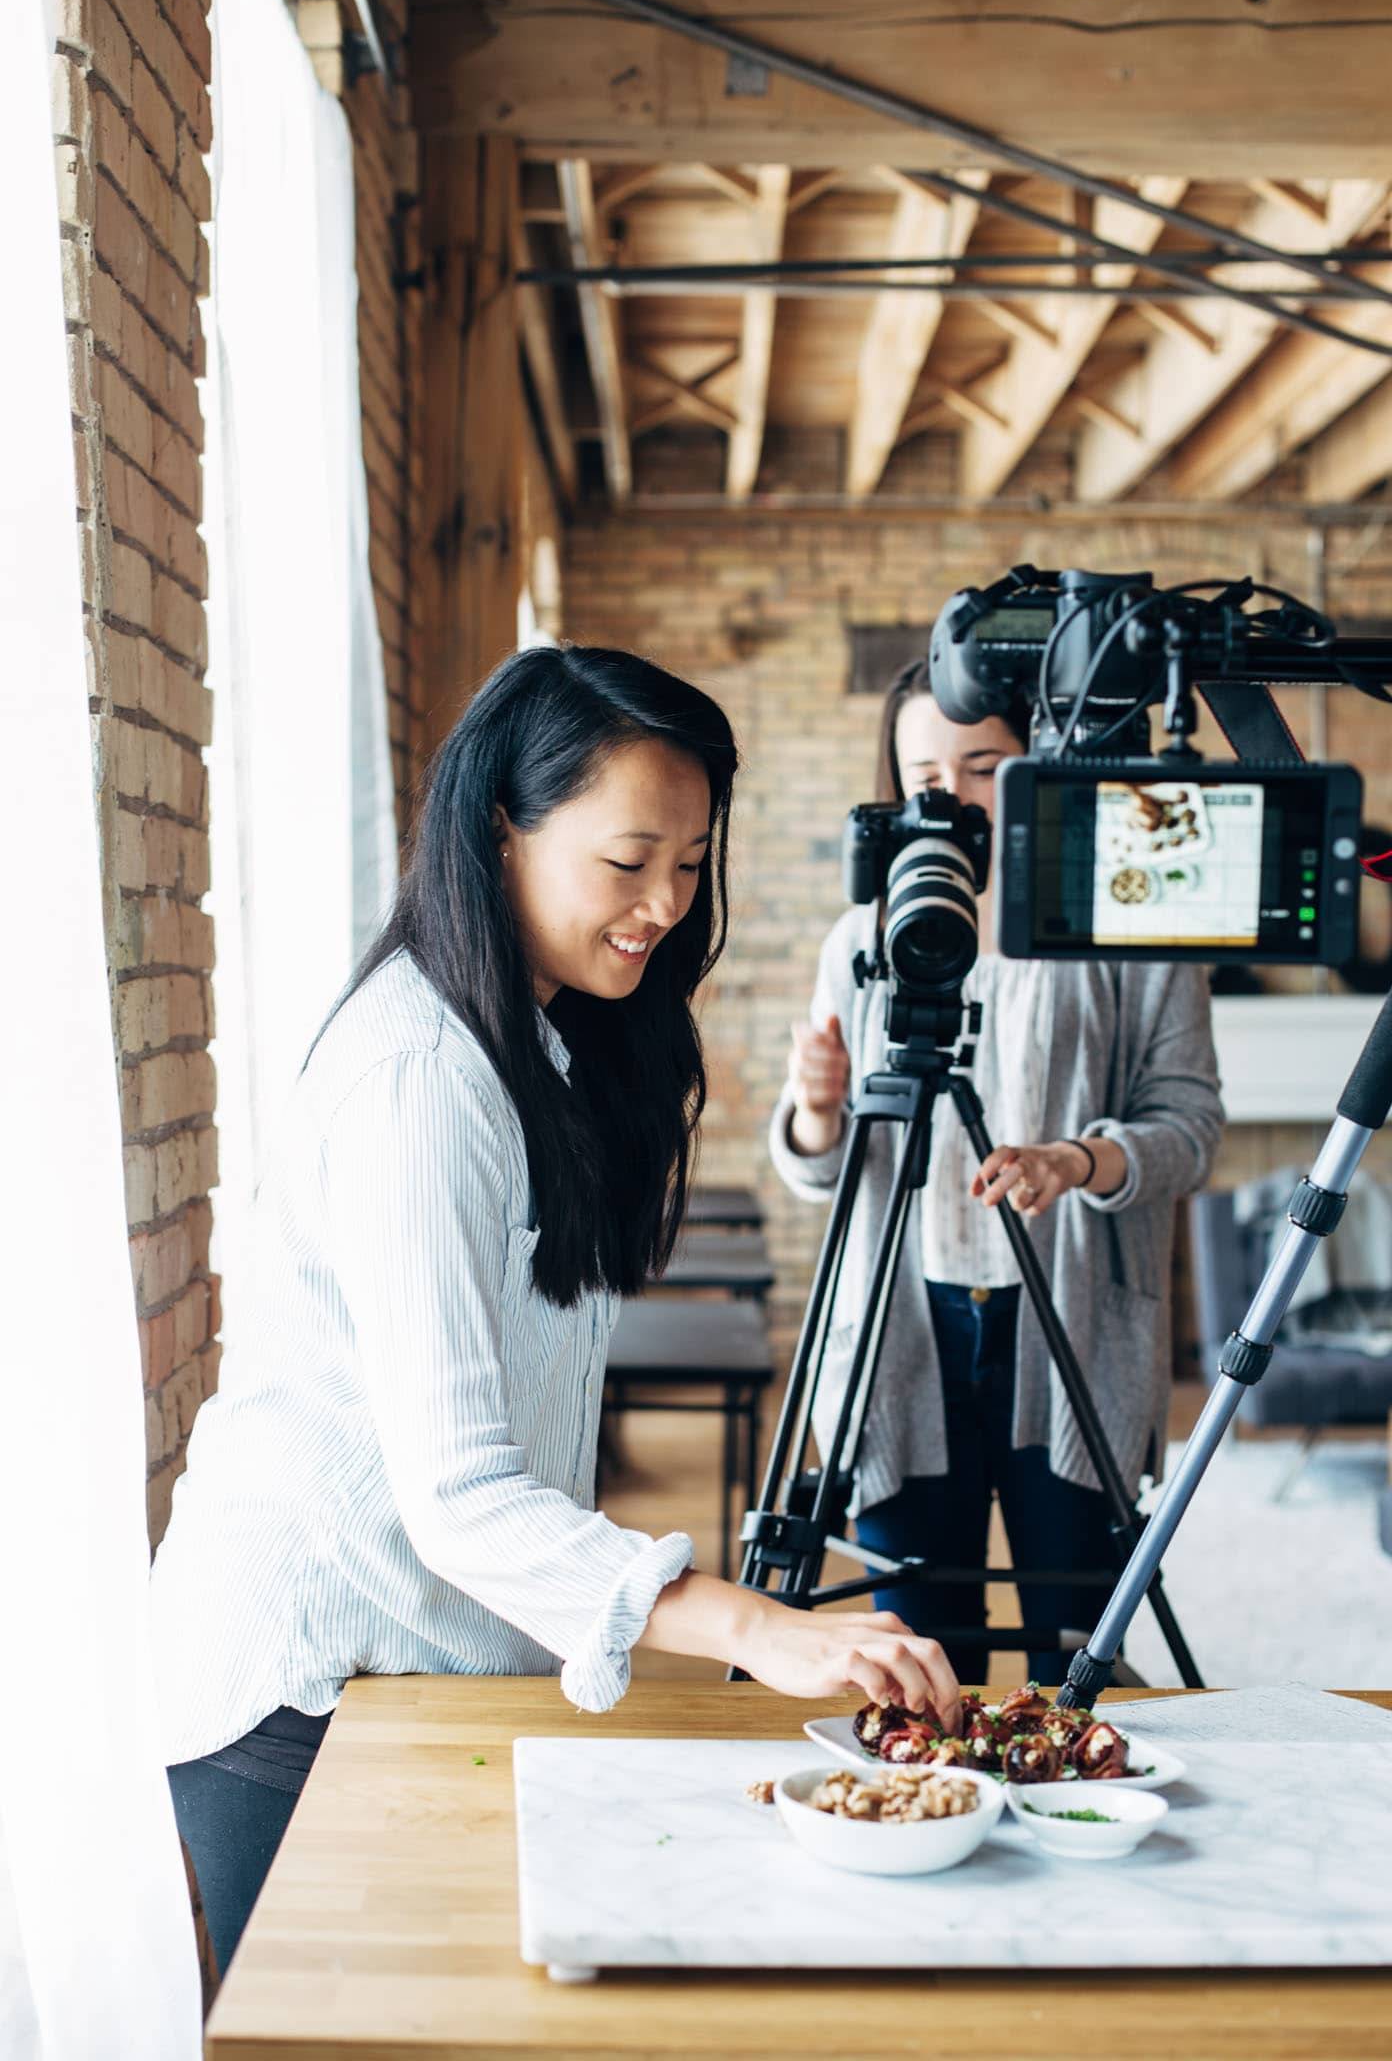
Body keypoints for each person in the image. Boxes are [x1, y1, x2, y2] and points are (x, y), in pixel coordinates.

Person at [151, 646, 959, 1977]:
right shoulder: (417, 1074)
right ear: (501, 829)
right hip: (305, 1671)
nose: (661, 904)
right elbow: (462, 1494)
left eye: (691, 865)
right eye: (628, 859)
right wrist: (756, 1624)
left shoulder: (539, 1037)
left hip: (424, 1649)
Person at [769, 655, 1224, 1689]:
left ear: (1041, 770)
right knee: (919, 1662)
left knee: (1080, 1647)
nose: (951, 798)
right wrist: (815, 1107)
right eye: (924, 773)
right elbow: (821, 1170)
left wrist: (1077, 1160)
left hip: (1073, 1322)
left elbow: (1192, 1125)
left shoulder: (1131, 924)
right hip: (903, 1327)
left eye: (983, 767)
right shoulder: (863, 938)